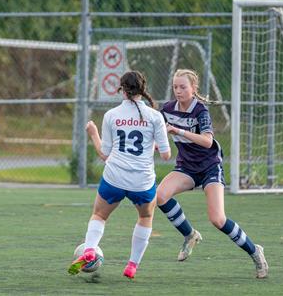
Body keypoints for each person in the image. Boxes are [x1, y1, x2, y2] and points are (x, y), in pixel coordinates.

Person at [156, 69, 268, 278]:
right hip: (186, 168)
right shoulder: (168, 110)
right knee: (160, 195)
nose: (178, 91)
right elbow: (160, 135)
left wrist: (178, 131)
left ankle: (255, 252)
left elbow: (207, 141)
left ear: (193, 88)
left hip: (209, 167)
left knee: (217, 219)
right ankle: (190, 235)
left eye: (183, 87)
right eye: (175, 87)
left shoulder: (201, 111)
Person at [67, 71, 171, 279]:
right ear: (143, 90)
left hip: (114, 177)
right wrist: (154, 144)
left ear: (122, 90)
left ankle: (89, 250)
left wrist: (93, 133)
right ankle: (132, 265)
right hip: (142, 182)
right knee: (145, 216)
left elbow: (105, 154)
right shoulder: (155, 116)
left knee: (99, 215)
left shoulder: (112, 115)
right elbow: (167, 155)